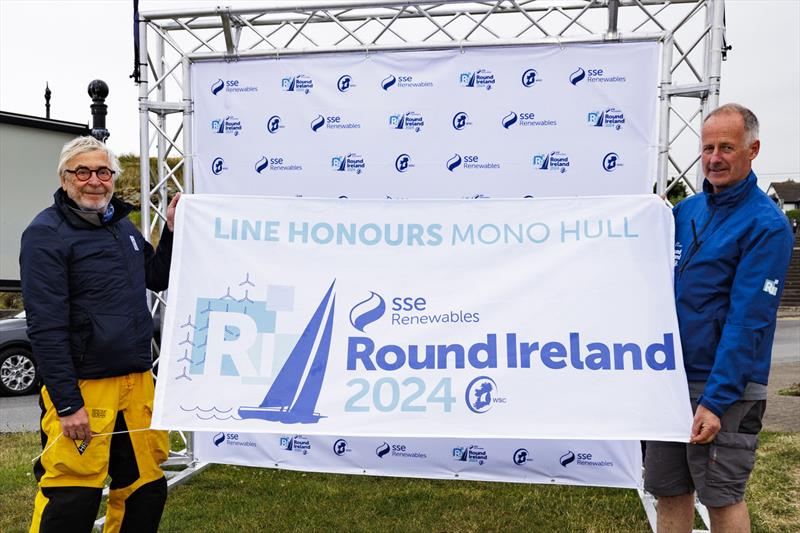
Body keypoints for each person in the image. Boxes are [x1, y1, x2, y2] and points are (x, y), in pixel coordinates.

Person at [644, 104, 794, 532]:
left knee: (722, 496)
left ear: (753, 150)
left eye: (727, 147)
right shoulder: (686, 211)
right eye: (707, 147)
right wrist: (648, 218)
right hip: (670, 381)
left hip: (722, 391)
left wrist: (716, 399)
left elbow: (749, 322)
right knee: (670, 491)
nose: (714, 157)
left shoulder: (766, 226)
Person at [20, 136, 180, 533]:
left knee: (146, 488)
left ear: (113, 178)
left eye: (103, 171)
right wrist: (68, 403)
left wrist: (172, 231)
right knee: (73, 495)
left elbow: (156, 276)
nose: (95, 180)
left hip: (136, 382)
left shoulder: (121, 226)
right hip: (85, 386)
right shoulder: (45, 234)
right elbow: (46, 326)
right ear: (65, 178)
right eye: (83, 171)